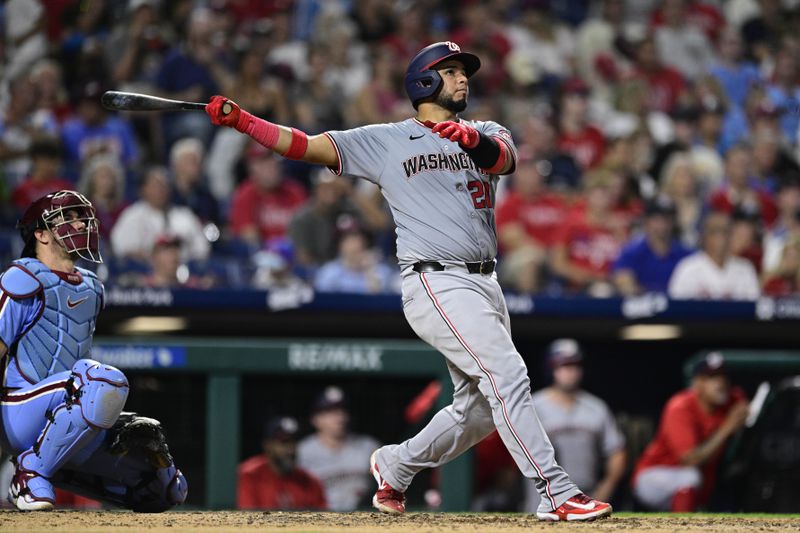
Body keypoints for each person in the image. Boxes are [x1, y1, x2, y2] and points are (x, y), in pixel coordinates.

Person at [206, 41, 612, 522]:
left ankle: (395, 466)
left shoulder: (485, 129)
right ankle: (556, 493)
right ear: (424, 80)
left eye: (465, 72)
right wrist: (244, 121)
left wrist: (468, 140)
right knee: (508, 376)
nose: (464, 79)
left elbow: (505, 159)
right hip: (435, 281)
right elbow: (306, 145)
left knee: (480, 411)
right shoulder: (387, 139)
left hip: (486, 282)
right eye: (453, 71)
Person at [0, 190, 187, 511]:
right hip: (21, 408)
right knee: (104, 381)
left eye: (81, 217)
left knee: (166, 487)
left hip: (66, 412)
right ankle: (29, 473)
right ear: (40, 234)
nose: (80, 224)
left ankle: (54, 468)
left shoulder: (92, 286)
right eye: (67, 218)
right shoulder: (22, 277)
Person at [632, 352, 749, 511]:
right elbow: (690, 459)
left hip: (697, 484)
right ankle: (684, 526)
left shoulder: (732, 400)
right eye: (712, 378)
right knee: (690, 478)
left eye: (723, 377)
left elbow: (745, 406)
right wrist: (727, 428)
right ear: (697, 383)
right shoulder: (680, 407)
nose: (720, 383)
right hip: (655, 476)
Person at [524, 339, 626, 512]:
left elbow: (617, 451)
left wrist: (605, 488)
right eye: (564, 365)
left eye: (575, 364)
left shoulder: (597, 408)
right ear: (551, 368)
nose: (570, 371)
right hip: (542, 498)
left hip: (586, 493)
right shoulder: (533, 405)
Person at [297, 386, 380, 511]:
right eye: (330, 411)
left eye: (342, 410)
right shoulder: (302, 452)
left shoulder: (369, 447)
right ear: (315, 419)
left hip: (363, 518)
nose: (340, 417)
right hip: (319, 520)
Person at [237, 416, 326, 510]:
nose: (291, 449)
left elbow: (322, 520)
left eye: (294, 442)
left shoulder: (310, 482)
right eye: (284, 442)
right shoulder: (248, 476)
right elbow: (247, 520)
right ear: (268, 446)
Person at [668, 210, 761, 300]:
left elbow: (754, 309)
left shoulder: (745, 269)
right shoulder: (688, 269)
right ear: (704, 237)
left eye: (725, 232)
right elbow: (675, 308)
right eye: (715, 231)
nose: (721, 237)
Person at [612, 197, 693, 295]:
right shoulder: (631, 254)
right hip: (642, 307)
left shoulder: (687, 255)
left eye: (667, 219)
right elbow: (624, 284)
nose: (662, 225)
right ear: (646, 222)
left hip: (681, 308)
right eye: (656, 219)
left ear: (673, 223)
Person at [313, 230, 398, 294]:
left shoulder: (380, 270)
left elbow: (380, 300)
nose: (355, 244)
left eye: (358, 239)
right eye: (349, 240)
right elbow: (323, 298)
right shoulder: (329, 271)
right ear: (340, 246)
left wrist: (370, 269)